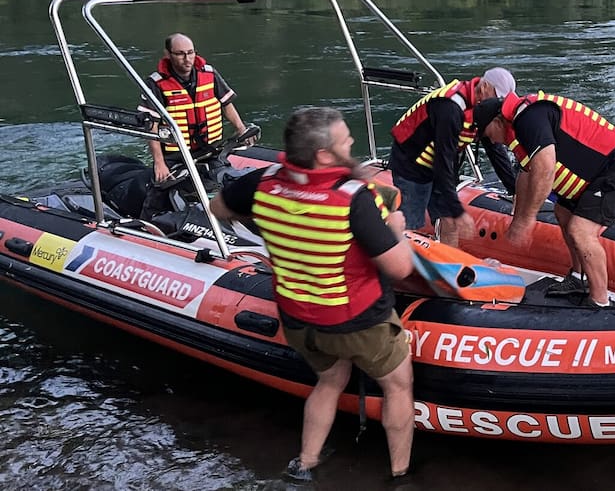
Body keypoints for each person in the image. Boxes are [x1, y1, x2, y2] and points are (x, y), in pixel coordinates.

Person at [210, 107, 416, 483]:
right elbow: (400, 267)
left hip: (299, 319)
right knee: (398, 384)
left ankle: (305, 462)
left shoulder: (264, 181)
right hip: (357, 319)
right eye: (345, 140)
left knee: (330, 381)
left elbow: (219, 207)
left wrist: (279, 229)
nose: (352, 142)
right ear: (323, 155)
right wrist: (397, 229)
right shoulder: (354, 199)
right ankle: (400, 473)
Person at [474, 92, 615, 307]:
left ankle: (600, 302)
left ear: (497, 121)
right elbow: (527, 173)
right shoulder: (520, 125)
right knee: (562, 213)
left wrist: (528, 220)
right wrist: (518, 218)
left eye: (488, 134)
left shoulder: (528, 119)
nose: (491, 140)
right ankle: (578, 278)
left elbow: (544, 169)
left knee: (581, 230)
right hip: (596, 171)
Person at [387, 68, 518, 246]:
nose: (500, 104)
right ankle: (396, 261)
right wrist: (458, 210)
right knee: (411, 224)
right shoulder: (450, 107)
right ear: (484, 86)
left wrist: (514, 190)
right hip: (411, 162)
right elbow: (444, 159)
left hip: (441, 160)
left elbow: (494, 149)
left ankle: (452, 265)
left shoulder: (485, 108)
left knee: (449, 222)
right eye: (498, 96)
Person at [139, 33, 256, 184]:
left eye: (190, 53)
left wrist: (241, 129)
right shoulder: (155, 84)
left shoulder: (209, 74)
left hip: (210, 150)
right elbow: (151, 126)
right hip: (176, 155)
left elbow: (226, 104)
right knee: (163, 190)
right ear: (168, 54)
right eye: (180, 54)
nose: (187, 59)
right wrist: (159, 163)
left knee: (228, 181)